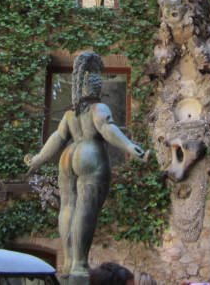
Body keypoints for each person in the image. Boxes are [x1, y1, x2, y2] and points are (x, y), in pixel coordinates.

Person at [26, 52, 148, 276]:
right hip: (90, 155)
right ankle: (80, 264)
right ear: (96, 89)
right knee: (86, 208)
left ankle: (69, 262)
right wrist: (130, 147)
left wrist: (38, 159)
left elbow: (57, 138)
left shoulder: (71, 114)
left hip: (68, 156)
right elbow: (106, 129)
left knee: (67, 208)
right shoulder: (98, 108)